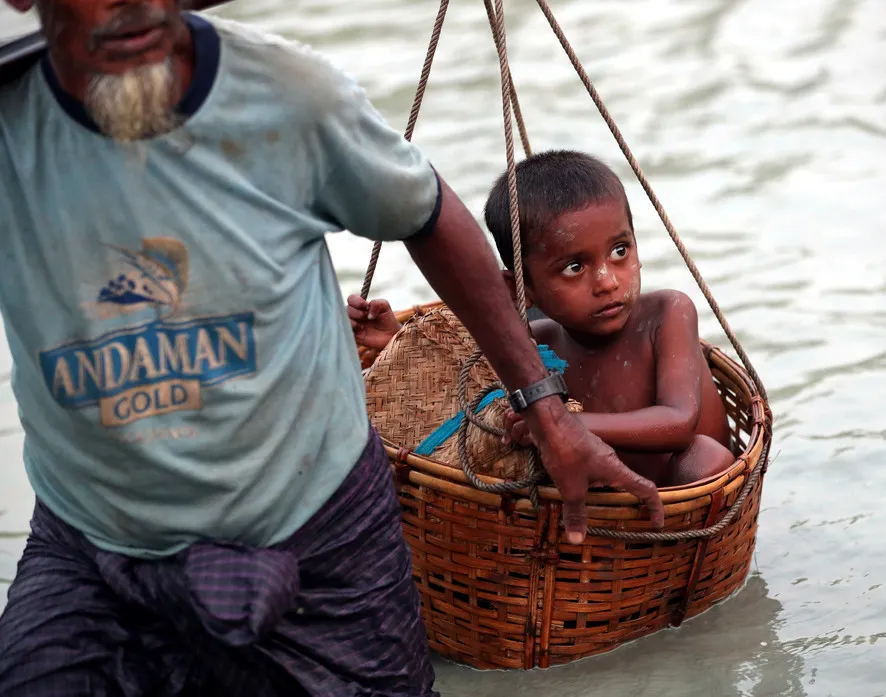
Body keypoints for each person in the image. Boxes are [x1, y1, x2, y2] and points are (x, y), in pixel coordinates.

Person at [0, 3, 665, 696]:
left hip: (318, 533)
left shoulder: (291, 97)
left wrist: (548, 409)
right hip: (93, 537)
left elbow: (429, 214)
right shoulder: (13, 121)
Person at [350, 149, 735, 488]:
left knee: (706, 457)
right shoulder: (540, 341)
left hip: (679, 494)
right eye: (573, 267)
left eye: (620, 250)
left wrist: (568, 426)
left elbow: (680, 422)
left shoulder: (666, 314)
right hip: (604, 497)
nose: (606, 282)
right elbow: (462, 371)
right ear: (521, 289)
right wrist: (399, 342)